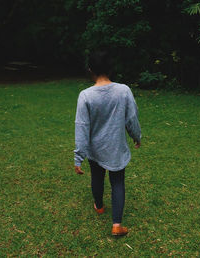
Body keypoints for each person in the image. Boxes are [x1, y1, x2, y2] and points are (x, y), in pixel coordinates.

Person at [74, 50, 142, 236]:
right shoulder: (123, 91)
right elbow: (132, 118)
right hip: (116, 149)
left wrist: (78, 157)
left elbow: (82, 127)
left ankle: (99, 206)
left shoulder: (85, 95)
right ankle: (117, 225)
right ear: (111, 69)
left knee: (96, 177)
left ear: (90, 70)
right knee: (117, 182)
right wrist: (137, 136)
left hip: (95, 150)